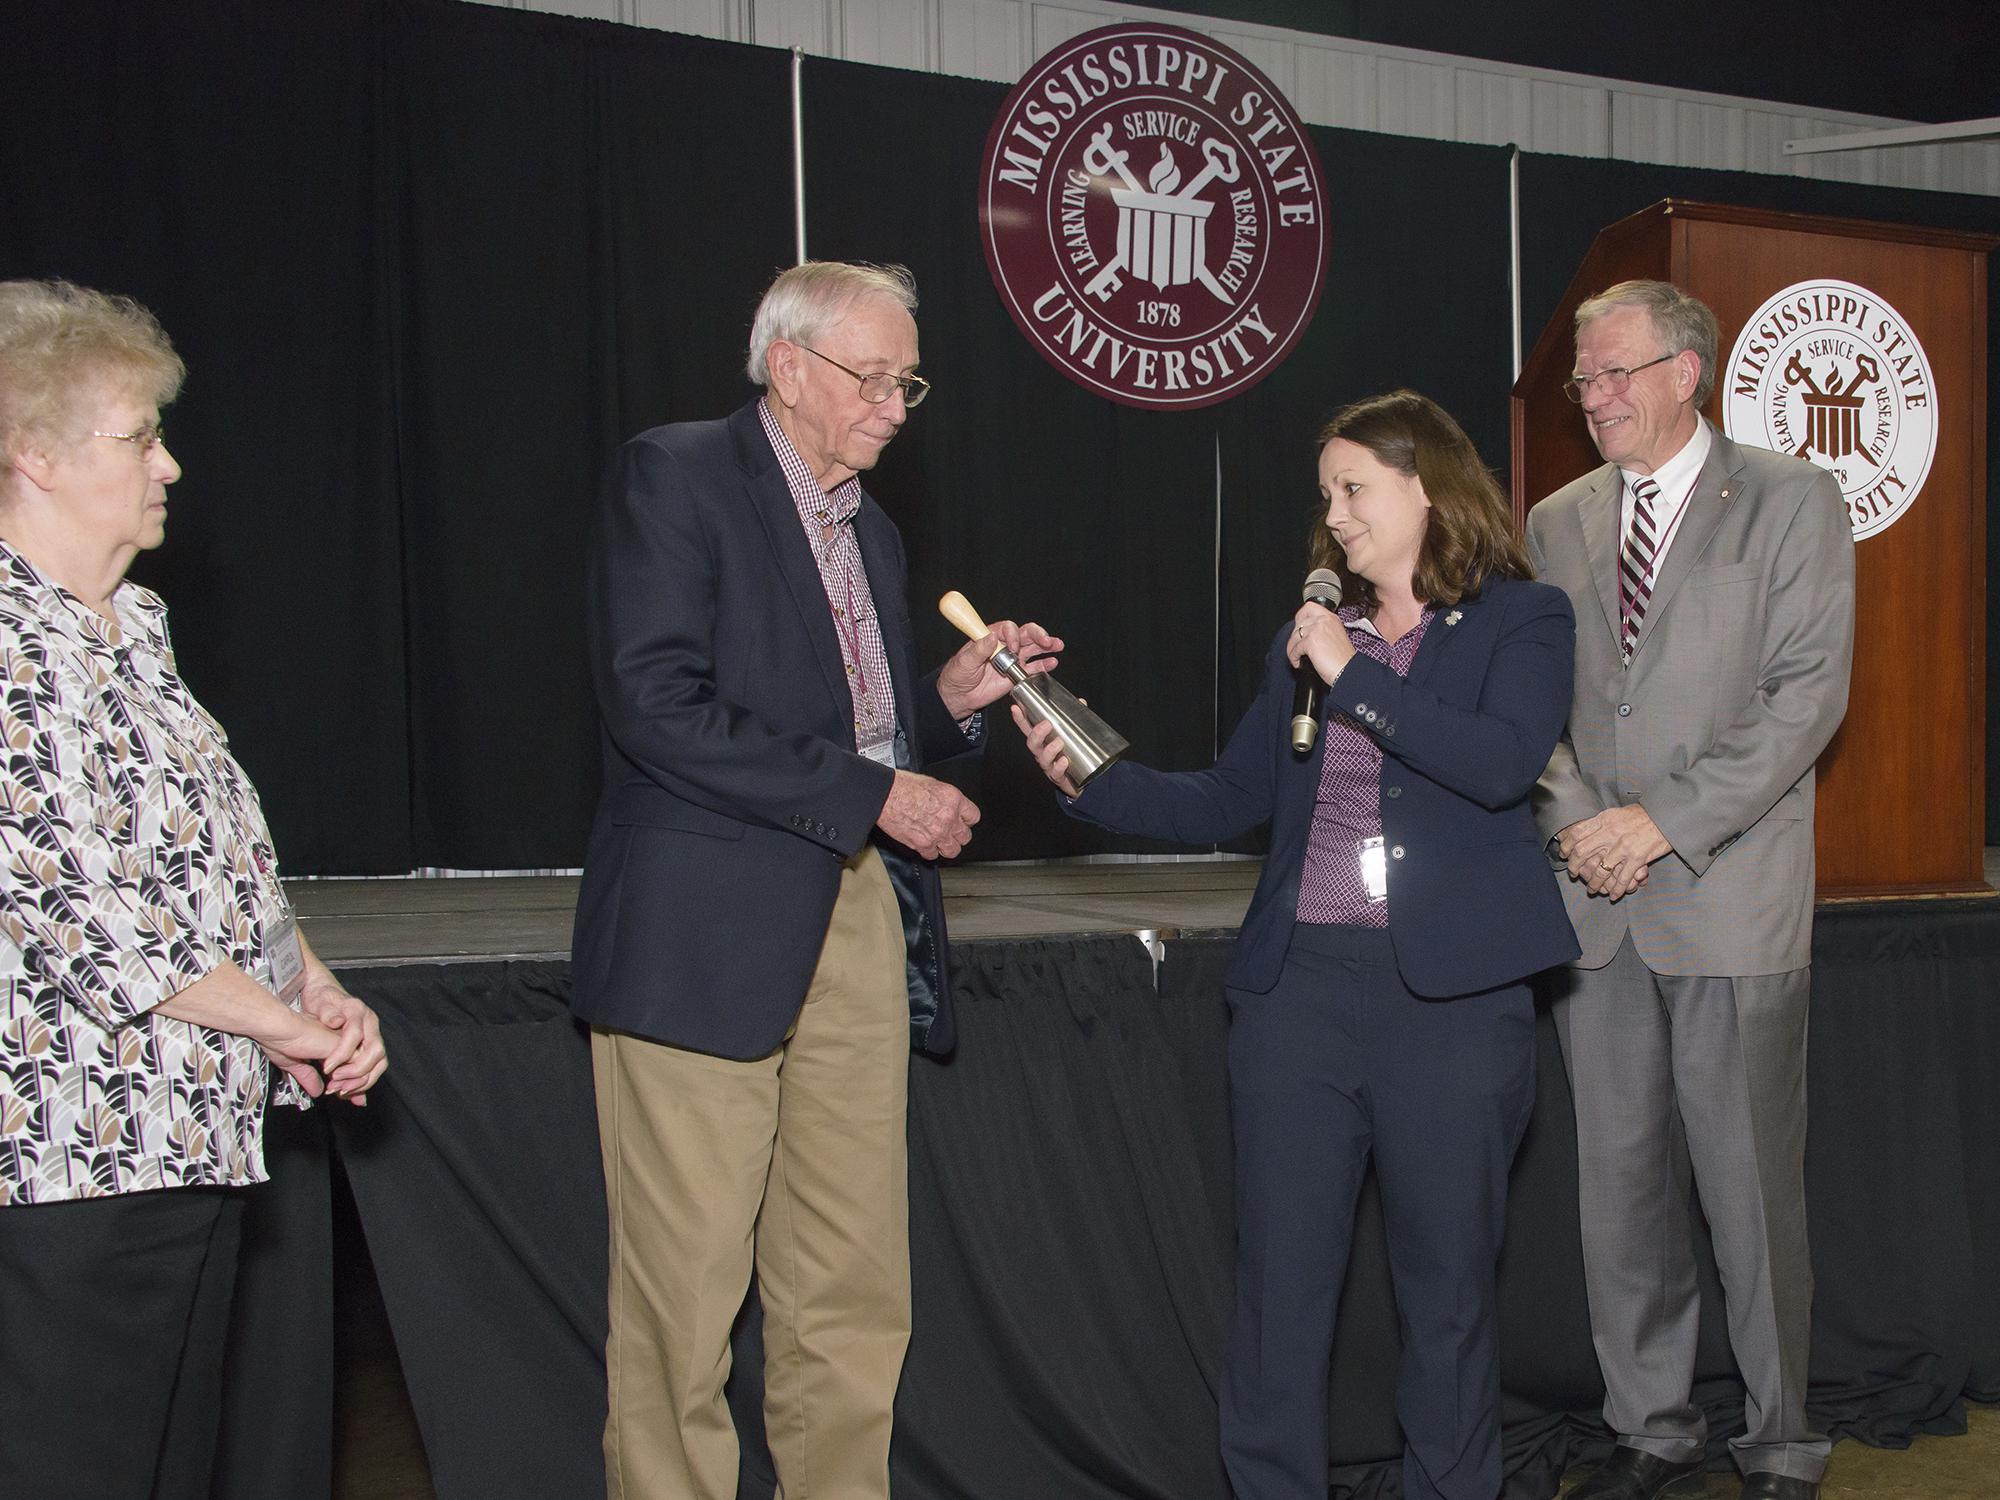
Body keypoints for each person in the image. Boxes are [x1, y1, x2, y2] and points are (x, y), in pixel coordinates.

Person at [1019, 390, 1577, 1500]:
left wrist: (1353, 674)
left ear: (1428, 487)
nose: (1333, 517)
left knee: (1446, 1294)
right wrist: (1092, 782)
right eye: (1325, 496)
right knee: (1280, 1295)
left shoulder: (1524, 619)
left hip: (1452, 1007)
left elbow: (1499, 763)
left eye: (1352, 489)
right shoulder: (1311, 641)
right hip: (1298, 1000)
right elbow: (1231, 793)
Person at [570, 260, 1059, 1500]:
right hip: (703, 933)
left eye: (909, 383)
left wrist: (950, 702)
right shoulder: (675, 473)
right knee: (683, 1296)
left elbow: (865, 726)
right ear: (787, 366)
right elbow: (654, 703)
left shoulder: (870, 526)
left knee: (849, 1279)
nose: (897, 406)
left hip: (852, 912)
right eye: (873, 378)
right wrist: (875, 794)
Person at [0, 279, 388, 1498]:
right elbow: (92, 921)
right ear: (33, 455)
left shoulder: (136, 624)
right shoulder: (11, 647)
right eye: (140, 437)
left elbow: (222, 862)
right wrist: (289, 1027)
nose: (169, 466)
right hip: (74, 1168)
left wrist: (313, 988)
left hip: (192, 1139)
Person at [1527, 280, 1855, 1500]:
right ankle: (1648, 1431)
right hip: (1593, 908)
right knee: (1616, 1194)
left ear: (1685, 372)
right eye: (1582, 381)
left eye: (1616, 373)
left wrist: (1657, 825)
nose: (1596, 398)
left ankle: (1778, 1442)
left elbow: (1803, 703)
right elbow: (1529, 710)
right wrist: (1579, 829)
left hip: (1728, 900)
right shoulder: (1554, 519)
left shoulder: (1789, 500)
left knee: (1749, 1195)